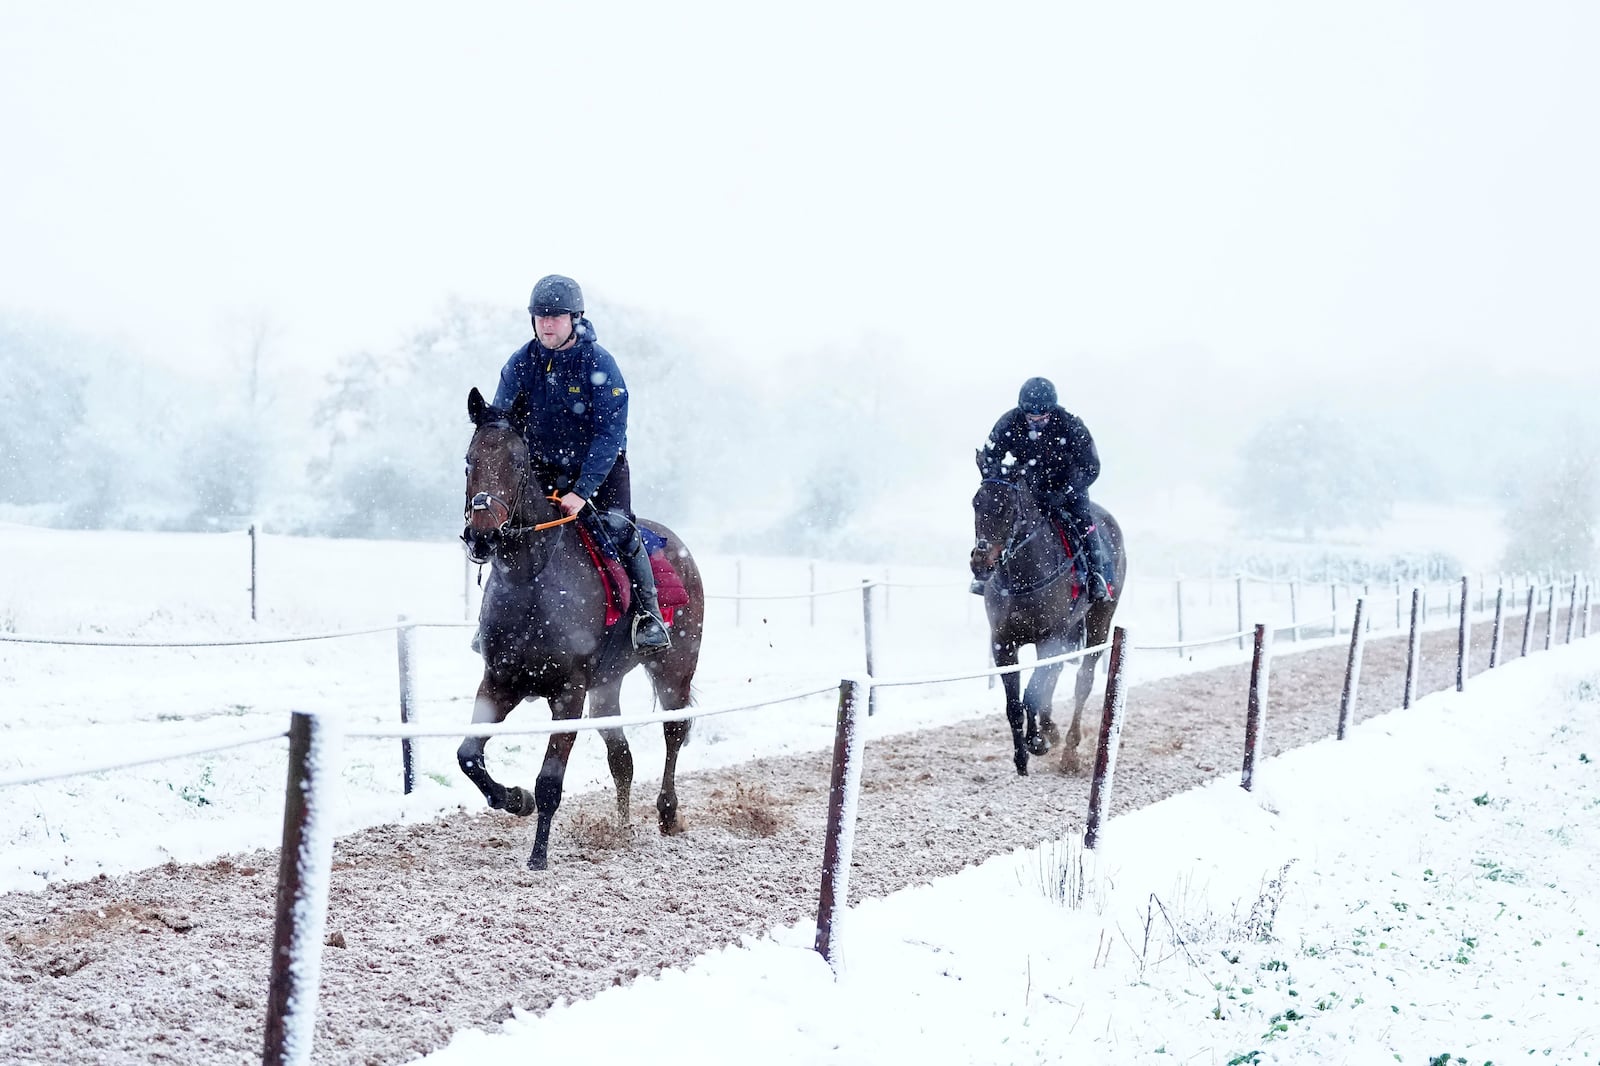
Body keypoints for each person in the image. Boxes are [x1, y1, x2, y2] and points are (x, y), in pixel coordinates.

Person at [491, 274, 672, 653]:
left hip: (599, 471)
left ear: (575, 318)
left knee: (618, 529)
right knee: (510, 532)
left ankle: (647, 615)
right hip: (539, 472)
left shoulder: (600, 364)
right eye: (540, 317)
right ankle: (490, 623)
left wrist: (581, 491)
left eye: (556, 316)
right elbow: (502, 424)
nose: (547, 324)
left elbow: (609, 435)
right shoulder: (521, 363)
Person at [975, 376, 1112, 601]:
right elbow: (990, 456)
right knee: (997, 515)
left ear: (1052, 411)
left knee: (1083, 520)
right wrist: (999, 478)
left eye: (1042, 418)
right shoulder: (1009, 422)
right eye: (1031, 418)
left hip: (1066, 488)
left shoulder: (1070, 424)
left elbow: (1091, 467)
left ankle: (1095, 575)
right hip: (1027, 487)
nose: (1036, 423)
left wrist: (1065, 492)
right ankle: (986, 571)